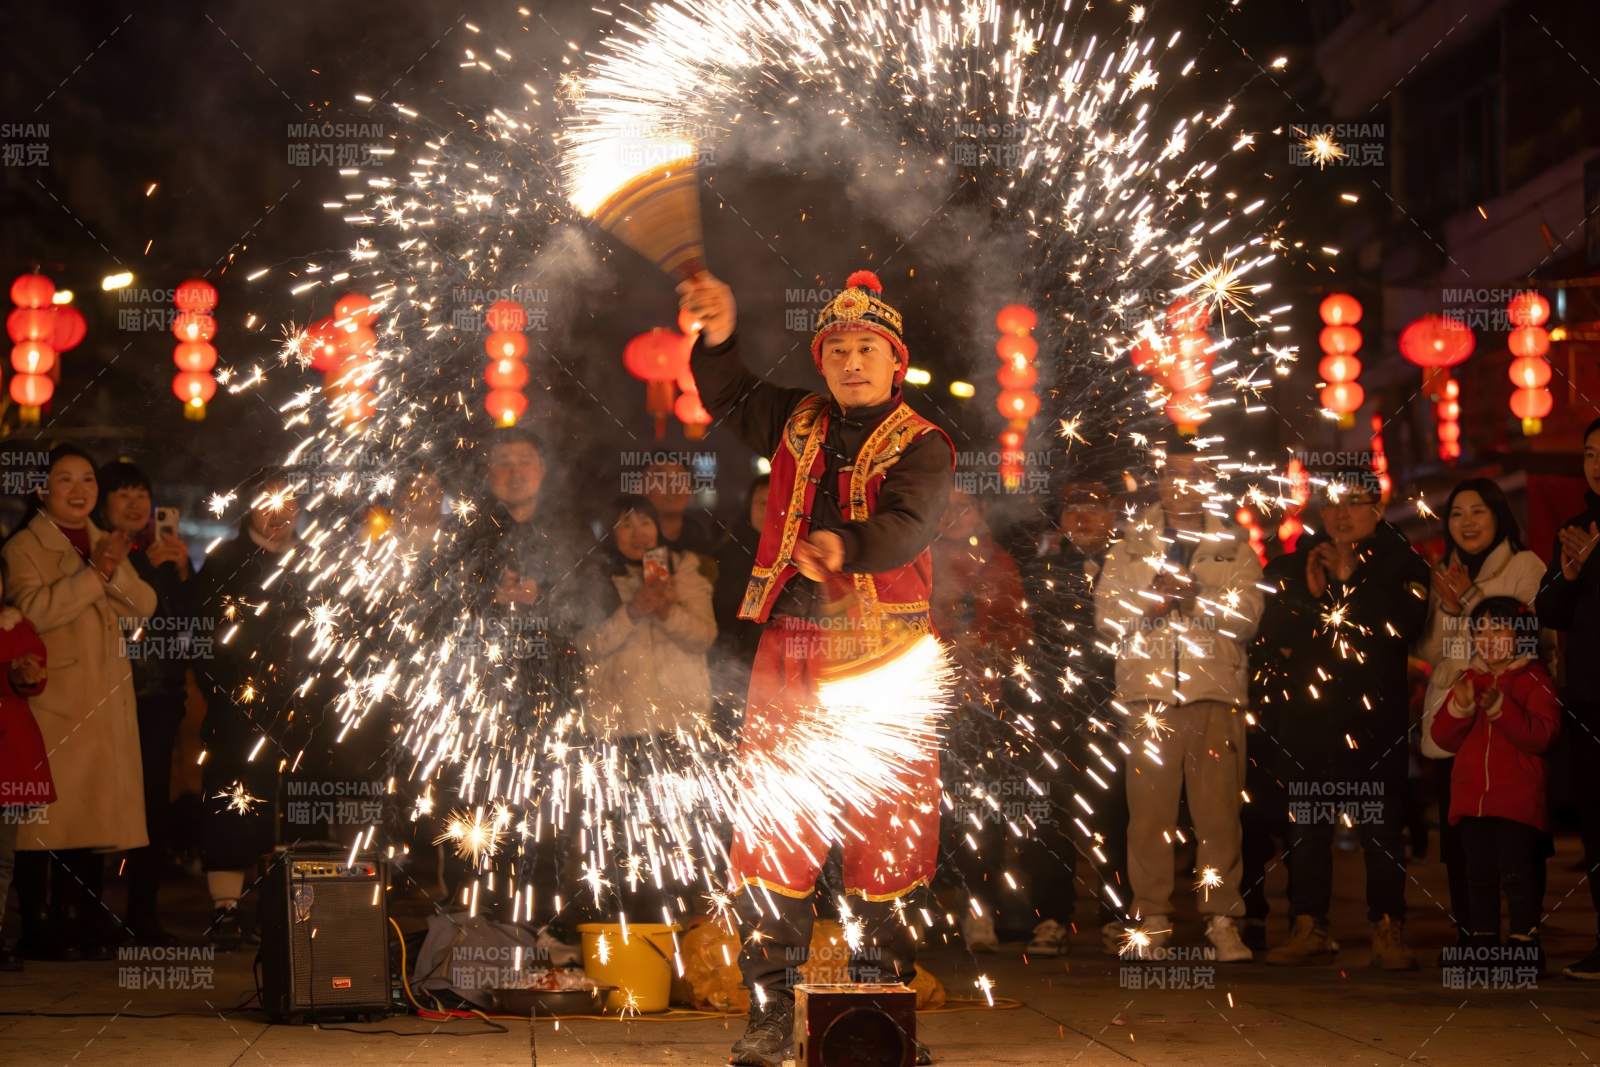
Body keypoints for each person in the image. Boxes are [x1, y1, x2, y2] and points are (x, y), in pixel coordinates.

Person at [682, 268, 953, 1067]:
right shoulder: (795, 416)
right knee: (776, 827)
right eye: (837, 349)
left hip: (886, 662)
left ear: (894, 360)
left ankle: (880, 1014)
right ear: (824, 359)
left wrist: (848, 546)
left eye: (867, 348)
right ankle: (771, 1012)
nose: (851, 361)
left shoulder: (925, 444)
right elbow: (727, 393)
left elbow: (907, 525)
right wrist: (721, 332)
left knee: (888, 834)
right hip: (792, 651)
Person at [1094, 436, 1263, 962]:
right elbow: (1106, 621)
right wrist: (1152, 602)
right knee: (1148, 817)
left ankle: (1221, 920)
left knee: (1217, 817)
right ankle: (1153, 920)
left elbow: (1248, 621)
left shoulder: (1234, 546)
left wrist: (1196, 599)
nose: (1182, 485)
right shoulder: (1129, 546)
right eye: (1173, 474)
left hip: (1213, 694)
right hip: (1148, 698)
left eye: (1194, 475)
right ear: (1160, 481)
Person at [1256, 467, 1431, 969]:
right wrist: (1310, 599)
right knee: (1307, 831)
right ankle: (1308, 925)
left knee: (1382, 829)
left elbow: (1403, 629)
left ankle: (1387, 927)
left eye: (1354, 501)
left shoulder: (1404, 567)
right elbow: (1270, 638)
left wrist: (1352, 582)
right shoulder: (1290, 567)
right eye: (1332, 501)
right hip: (1308, 724)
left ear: (1377, 507)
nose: (1340, 513)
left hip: (1376, 724)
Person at [5, 445, 156, 961]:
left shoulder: (100, 538)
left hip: (104, 695)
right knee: (44, 820)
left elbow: (144, 605)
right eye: (64, 480)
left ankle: (84, 917)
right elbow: (32, 612)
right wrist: (93, 576)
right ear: (42, 489)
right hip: (54, 698)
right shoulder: (24, 546)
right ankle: (38, 923)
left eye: (87, 480)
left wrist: (109, 568)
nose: (78, 490)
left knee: (92, 812)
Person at [1415, 477, 1546, 946]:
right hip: (1456, 712)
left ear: (1499, 515)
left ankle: (1523, 940)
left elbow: (1526, 636)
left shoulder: (1525, 567)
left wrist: (1467, 602)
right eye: (1456, 514)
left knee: (1514, 842)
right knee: (1462, 841)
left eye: (1477, 512)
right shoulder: (1447, 569)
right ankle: (1474, 934)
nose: (1466, 523)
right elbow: (1434, 647)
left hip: (1506, 719)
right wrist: (1449, 610)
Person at [580, 494, 717, 919]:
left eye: (645, 523)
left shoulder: (686, 568)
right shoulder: (596, 575)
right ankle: (629, 920)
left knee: (682, 830)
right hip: (621, 726)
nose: (638, 533)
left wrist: (667, 612)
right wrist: (634, 611)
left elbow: (704, 636)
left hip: (680, 723)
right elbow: (587, 646)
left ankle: (684, 924)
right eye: (625, 525)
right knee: (626, 834)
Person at [192, 468, 305, 950]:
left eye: (289, 501)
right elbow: (205, 638)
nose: (278, 512)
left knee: (293, 804)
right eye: (268, 500)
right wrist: (227, 690)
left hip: (301, 709)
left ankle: (295, 912)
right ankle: (226, 909)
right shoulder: (225, 560)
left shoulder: (314, 561)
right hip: (237, 706)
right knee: (232, 799)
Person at [1015, 479, 1127, 957]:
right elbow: (1026, 635)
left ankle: (1118, 916)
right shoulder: (1040, 570)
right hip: (1054, 709)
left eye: (1094, 508)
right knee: (1050, 816)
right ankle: (1051, 918)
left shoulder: (1130, 567)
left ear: (1114, 516)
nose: (1083, 518)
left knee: (1115, 812)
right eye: (1074, 507)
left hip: (1114, 705)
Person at [1429, 598, 1559, 973]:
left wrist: (1503, 709)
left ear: (1521, 636)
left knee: (1519, 874)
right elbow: (1442, 736)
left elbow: (1542, 735)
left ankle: (1523, 943)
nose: (1488, 639)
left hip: (1516, 802)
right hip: (1473, 802)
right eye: (1480, 631)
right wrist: (1461, 709)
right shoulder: (1469, 680)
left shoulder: (1534, 680)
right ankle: (1483, 941)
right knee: (1479, 875)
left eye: (1498, 629)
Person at [96, 460, 196, 945]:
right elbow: (129, 621)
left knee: (152, 806)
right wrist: (153, 575)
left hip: (158, 697)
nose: (135, 504)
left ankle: (143, 912)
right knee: (102, 804)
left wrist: (182, 570)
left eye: (142, 494)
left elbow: (185, 627)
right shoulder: (103, 554)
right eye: (123, 494)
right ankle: (90, 914)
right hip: (109, 695)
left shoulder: (160, 554)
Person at [930, 488, 1031, 952]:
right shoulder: (923, 561)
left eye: (963, 506)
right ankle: (927, 910)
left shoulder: (999, 563)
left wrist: (987, 648)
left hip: (986, 706)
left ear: (981, 512)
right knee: (932, 811)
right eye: (945, 507)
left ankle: (980, 909)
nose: (954, 516)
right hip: (931, 703)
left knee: (981, 811)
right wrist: (948, 648)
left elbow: (1019, 628)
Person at [1535, 416, 1600, 979]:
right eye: (1589, 454)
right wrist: (1572, 573)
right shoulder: (1576, 528)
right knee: (1596, 822)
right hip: (1588, 698)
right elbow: (1550, 611)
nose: (1596, 464)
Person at [0, 603, 49, 970]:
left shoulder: (16, 625)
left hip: (9, 754)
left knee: (3, 856)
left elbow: (35, 674)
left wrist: (26, 674)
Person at [710, 474, 767, 706]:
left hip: (782, 670)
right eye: (761, 502)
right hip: (734, 671)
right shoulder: (728, 555)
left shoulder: (802, 557)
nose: (769, 509)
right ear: (749, 506)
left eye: (776, 502)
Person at [643, 458, 720, 559]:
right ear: (640, 489)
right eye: (661, 478)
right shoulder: (632, 547)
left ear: (690, 490)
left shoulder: (706, 546)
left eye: (680, 478)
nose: (673, 486)